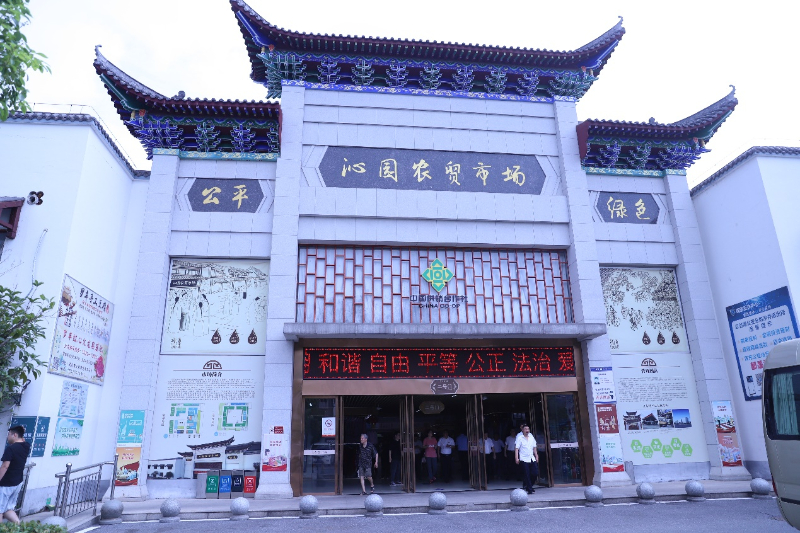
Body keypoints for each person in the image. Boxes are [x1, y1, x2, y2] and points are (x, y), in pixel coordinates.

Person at [0, 426, 30, 525]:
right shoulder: (26, 446)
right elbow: (22, 440)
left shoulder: (10, 449)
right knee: (7, 509)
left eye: (9, 434)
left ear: (15, 435)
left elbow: (5, 466)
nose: (7, 437)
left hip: (6, 483)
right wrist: (21, 431)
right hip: (17, 482)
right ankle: (19, 527)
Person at [515, 424, 539, 494]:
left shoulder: (531, 437)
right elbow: (516, 448)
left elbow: (534, 447)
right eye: (525, 429)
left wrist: (536, 456)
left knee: (535, 473)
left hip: (531, 458)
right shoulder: (520, 438)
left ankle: (529, 486)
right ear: (522, 430)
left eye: (528, 429)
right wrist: (516, 458)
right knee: (527, 474)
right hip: (524, 459)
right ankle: (529, 489)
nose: (527, 430)